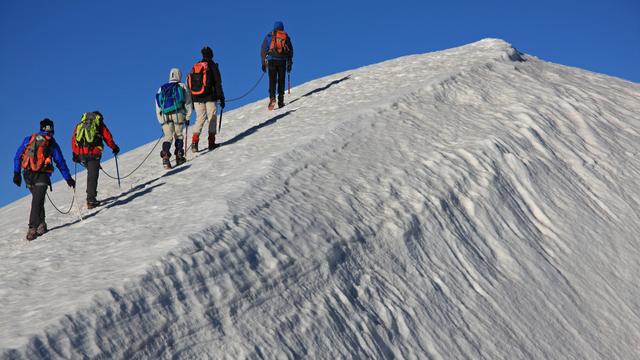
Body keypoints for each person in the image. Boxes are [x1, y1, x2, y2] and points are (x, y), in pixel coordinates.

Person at [13, 119, 75, 240]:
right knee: (38, 200)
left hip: (27, 174)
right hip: (42, 175)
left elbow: (17, 156)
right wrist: (68, 179)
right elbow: (60, 162)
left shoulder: (30, 139)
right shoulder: (52, 143)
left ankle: (41, 224)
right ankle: (33, 228)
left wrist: (16, 173)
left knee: (37, 199)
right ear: (52, 128)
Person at [71, 111, 120, 209]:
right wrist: (114, 148)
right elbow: (108, 138)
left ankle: (91, 197)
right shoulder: (99, 123)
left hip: (81, 154)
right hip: (93, 153)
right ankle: (91, 200)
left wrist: (76, 153)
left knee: (91, 173)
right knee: (92, 176)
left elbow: (74, 139)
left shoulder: (80, 124)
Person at [187, 46, 225, 152]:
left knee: (199, 118)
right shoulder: (212, 66)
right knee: (211, 118)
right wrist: (221, 97)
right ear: (211, 55)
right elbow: (218, 83)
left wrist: (192, 99)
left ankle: (194, 142)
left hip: (197, 98)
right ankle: (211, 143)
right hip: (210, 97)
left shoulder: (196, 66)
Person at [155, 68, 193, 168]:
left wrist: (161, 120)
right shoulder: (182, 86)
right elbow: (188, 102)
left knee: (168, 137)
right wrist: (188, 116)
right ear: (179, 75)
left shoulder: (161, 88)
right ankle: (179, 156)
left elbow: (158, 106)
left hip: (165, 115)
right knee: (179, 135)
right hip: (178, 113)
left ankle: (165, 157)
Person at [261, 21, 294, 110]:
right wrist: (289, 63)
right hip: (282, 61)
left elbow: (263, 50)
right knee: (281, 81)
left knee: (272, 80)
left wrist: (263, 64)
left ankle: (272, 97)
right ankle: (281, 100)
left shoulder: (269, 36)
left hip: (271, 60)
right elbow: (290, 50)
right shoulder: (286, 36)